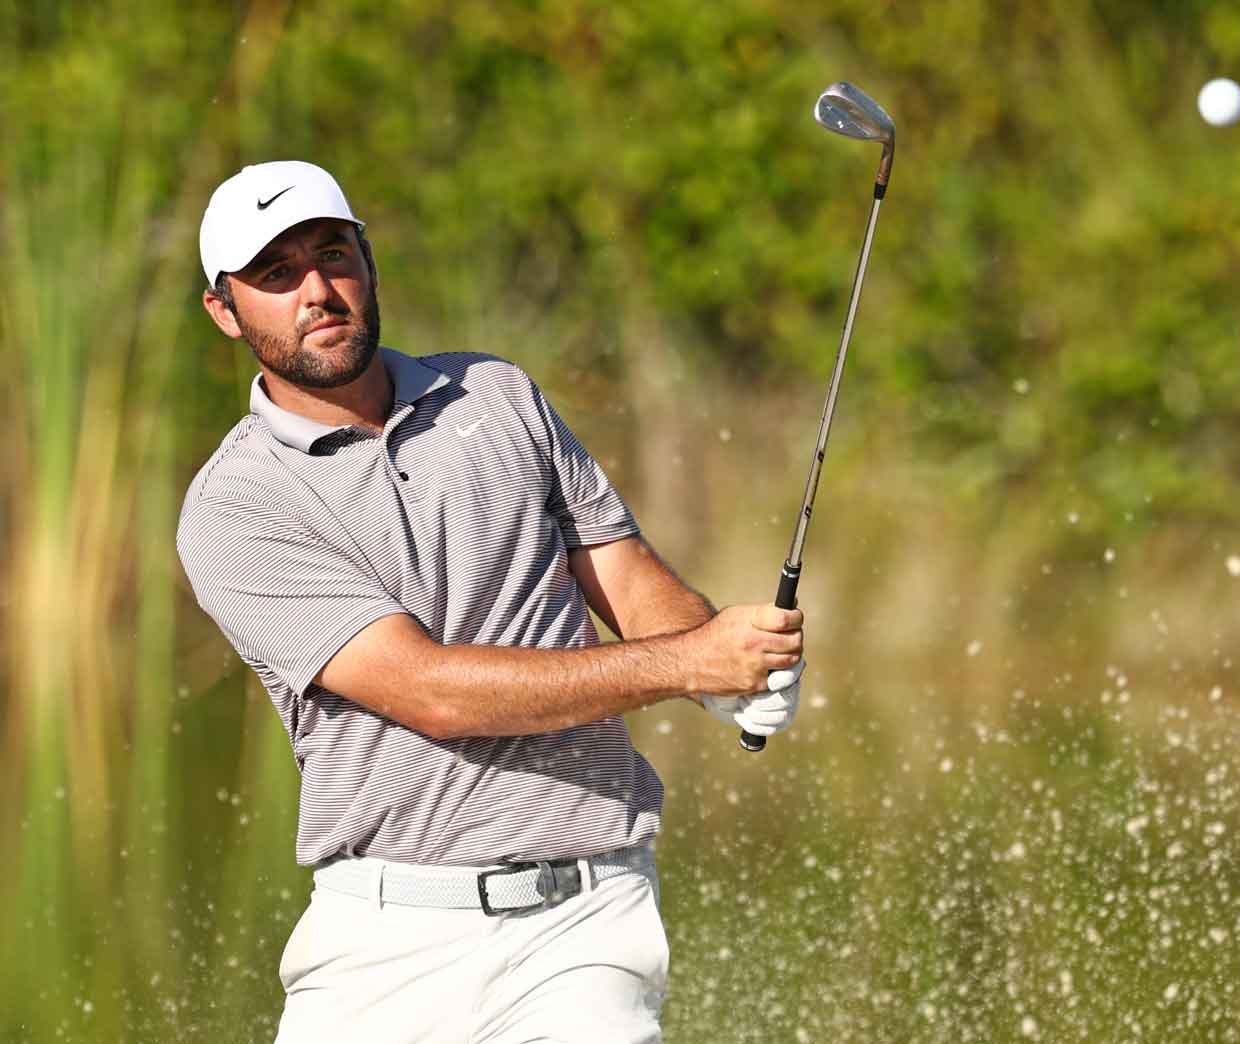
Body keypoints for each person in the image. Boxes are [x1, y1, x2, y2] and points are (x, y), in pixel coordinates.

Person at [176, 159, 803, 1043]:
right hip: (382, 941)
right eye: (276, 275)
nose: (317, 290)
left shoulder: (496, 395)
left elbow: (625, 580)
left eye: (333, 254)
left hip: (584, 923)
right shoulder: (236, 505)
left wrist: (733, 669)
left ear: (369, 260)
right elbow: (433, 692)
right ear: (225, 310)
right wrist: (687, 664)